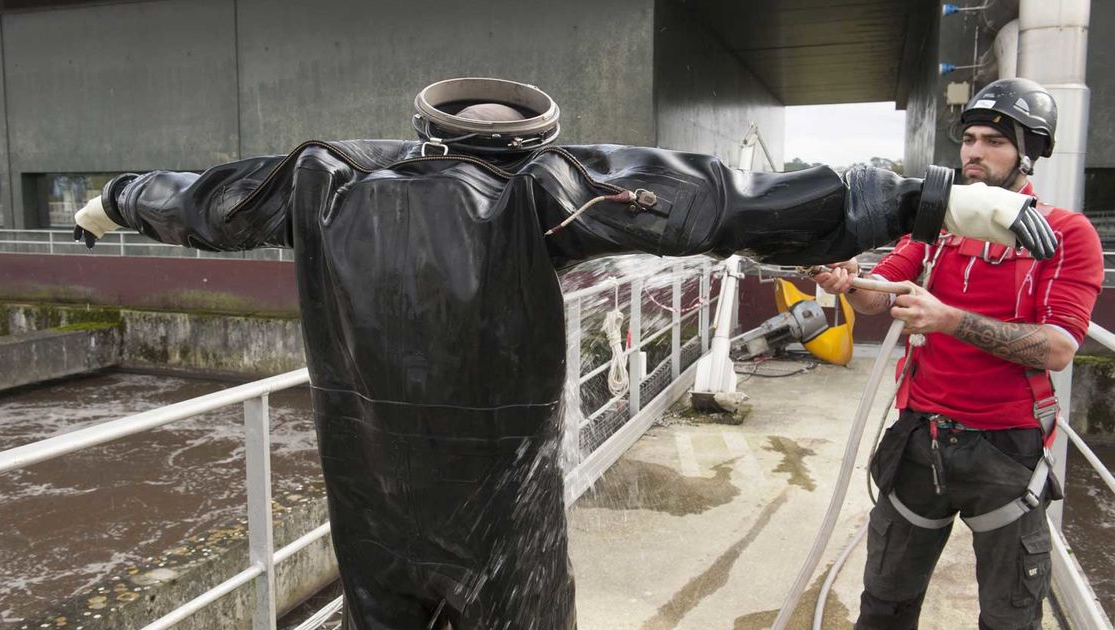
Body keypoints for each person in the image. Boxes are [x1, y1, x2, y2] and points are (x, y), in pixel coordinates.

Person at [73, 77, 1055, 630]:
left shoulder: (320, 186)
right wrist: (926, 197)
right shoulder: (535, 193)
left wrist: (112, 202)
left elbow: (197, 199)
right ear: (525, 139)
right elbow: (722, 203)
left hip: (370, 516)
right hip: (503, 528)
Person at [815, 77, 1103, 629]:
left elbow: (1059, 348)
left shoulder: (1066, 234)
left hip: (1006, 452)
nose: (974, 151)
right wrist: (847, 280)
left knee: (1009, 618)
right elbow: (880, 296)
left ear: (1030, 151)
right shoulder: (937, 225)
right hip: (920, 438)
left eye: (994, 141)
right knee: (884, 605)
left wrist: (950, 320)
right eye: (969, 138)